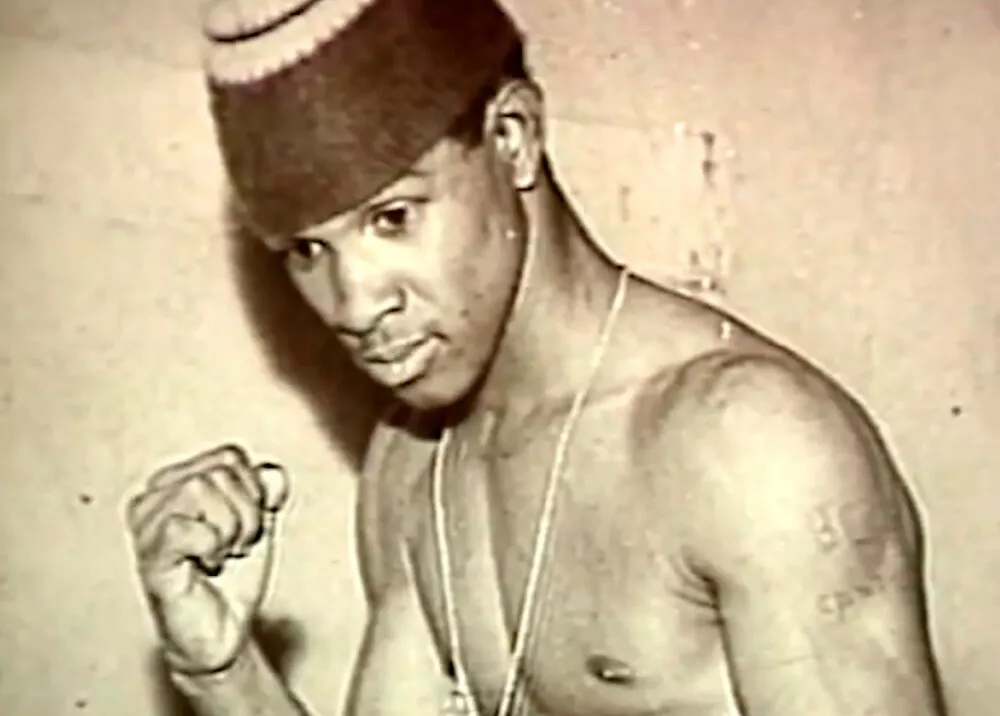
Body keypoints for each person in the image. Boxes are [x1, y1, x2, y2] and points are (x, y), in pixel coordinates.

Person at [123, 1, 950, 714]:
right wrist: (223, 673)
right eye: (307, 251)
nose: (355, 305)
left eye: (393, 218)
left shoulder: (746, 442)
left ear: (513, 138)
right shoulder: (412, 465)